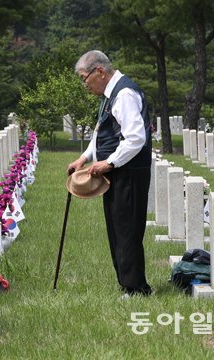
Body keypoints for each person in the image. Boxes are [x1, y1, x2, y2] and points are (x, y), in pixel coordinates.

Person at [67, 50, 153, 299]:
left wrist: (110, 163)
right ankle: (127, 284)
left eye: (84, 78)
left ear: (100, 72)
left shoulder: (124, 94)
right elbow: (101, 133)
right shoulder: (109, 95)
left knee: (127, 229)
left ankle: (137, 289)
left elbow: (136, 138)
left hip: (129, 172)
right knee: (117, 227)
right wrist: (85, 158)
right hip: (117, 170)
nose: (84, 85)